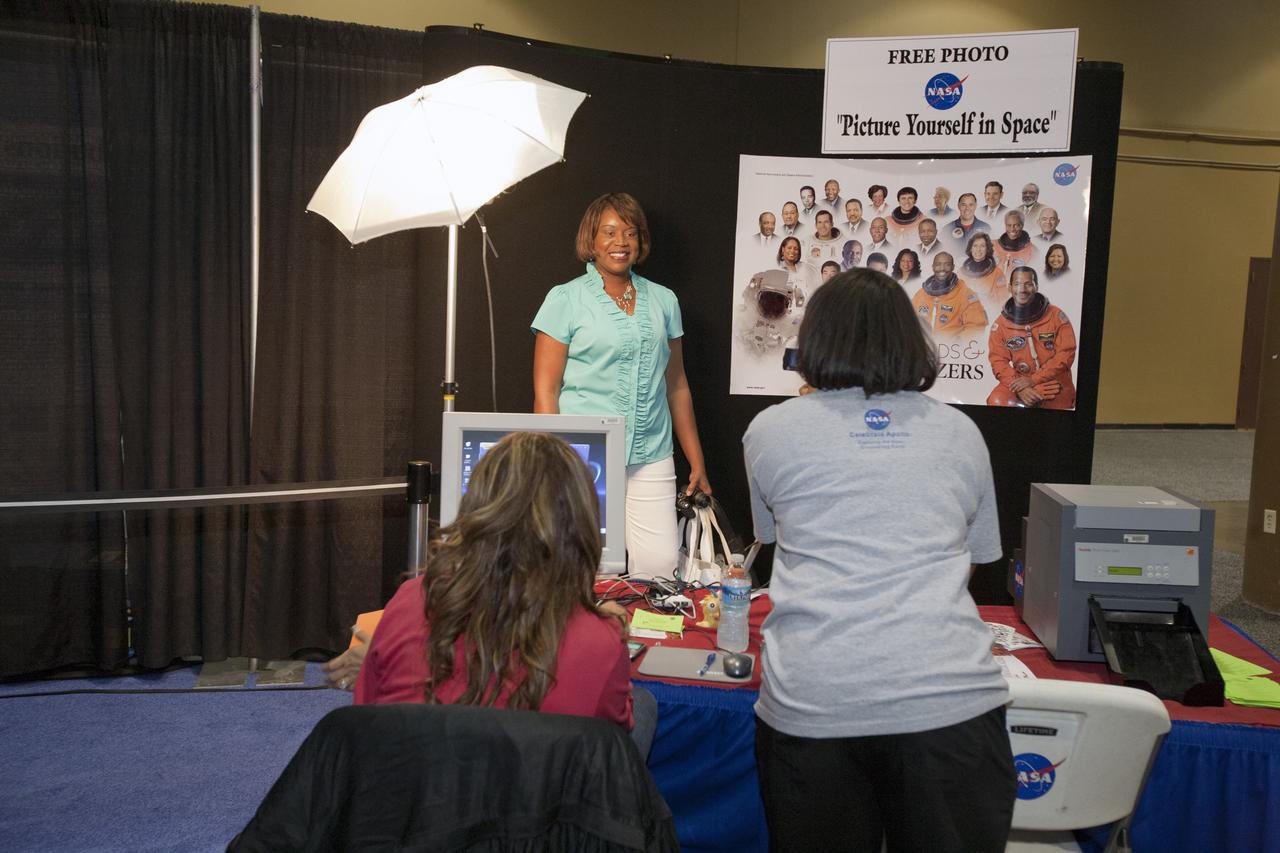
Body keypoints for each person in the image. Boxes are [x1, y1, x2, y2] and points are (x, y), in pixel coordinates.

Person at [744, 269, 1015, 853]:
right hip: (949, 705)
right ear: (910, 338)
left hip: (815, 702)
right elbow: (971, 562)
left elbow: (778, 539)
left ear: (815, 339)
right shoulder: (961, 432)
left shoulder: (769, 431)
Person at [352, 432, 657, 758]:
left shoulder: (410, 600)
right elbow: (612, 739)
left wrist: (379, 659)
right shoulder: (601, 641)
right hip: (540, 789)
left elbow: (367, 718)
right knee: (642, 705)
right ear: (581, 524)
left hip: (416, 785)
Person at [532, 192, 711, 578]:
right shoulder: (565, 299)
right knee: (589, 570)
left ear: (641, 241)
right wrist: (552, 460)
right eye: (609, 232)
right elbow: (546, 390)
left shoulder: (664, 301)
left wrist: (696, 461)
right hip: (584, 455)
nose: (621, 242)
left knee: (660, 568)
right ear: (591, 239)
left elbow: (677, 385)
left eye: (630, 233)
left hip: (651, 451)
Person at [987, 267, 1077, 409]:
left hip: (1054, 380)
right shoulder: (1001, 324)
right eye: (1017, 284)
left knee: (1058, 409)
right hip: (1019, 381)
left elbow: (1066, 354)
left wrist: (1034, 380)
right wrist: (1020, 388)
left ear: (1036, 287)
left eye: (1028, 284)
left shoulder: (1055, 316)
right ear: (1010, 288)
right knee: (997, 401)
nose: (1022, 290)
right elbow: (998, 361)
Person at [911, 252, 988, 338]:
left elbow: (976, 326)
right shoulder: (921, 294)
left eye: (947, 264)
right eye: (938, 264)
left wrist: (957, 343)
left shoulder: (966, 294)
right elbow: (908, 319)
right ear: (933, 267)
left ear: (953, 267)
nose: (942, 268)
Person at [962, 232, 1008, 312]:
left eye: (982, 246)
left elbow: (1001, 300)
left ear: (987, 249)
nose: (978, 249)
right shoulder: (961, 272)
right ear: (971, 248)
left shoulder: (997, 273)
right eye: (975, 246)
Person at [993, 210, 1038, 274]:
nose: (1012, 229)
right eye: (1009, 225)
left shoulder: (1033, 251)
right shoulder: (992, 246)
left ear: (1022, 225)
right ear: (1005, 225)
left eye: (1016, 225)